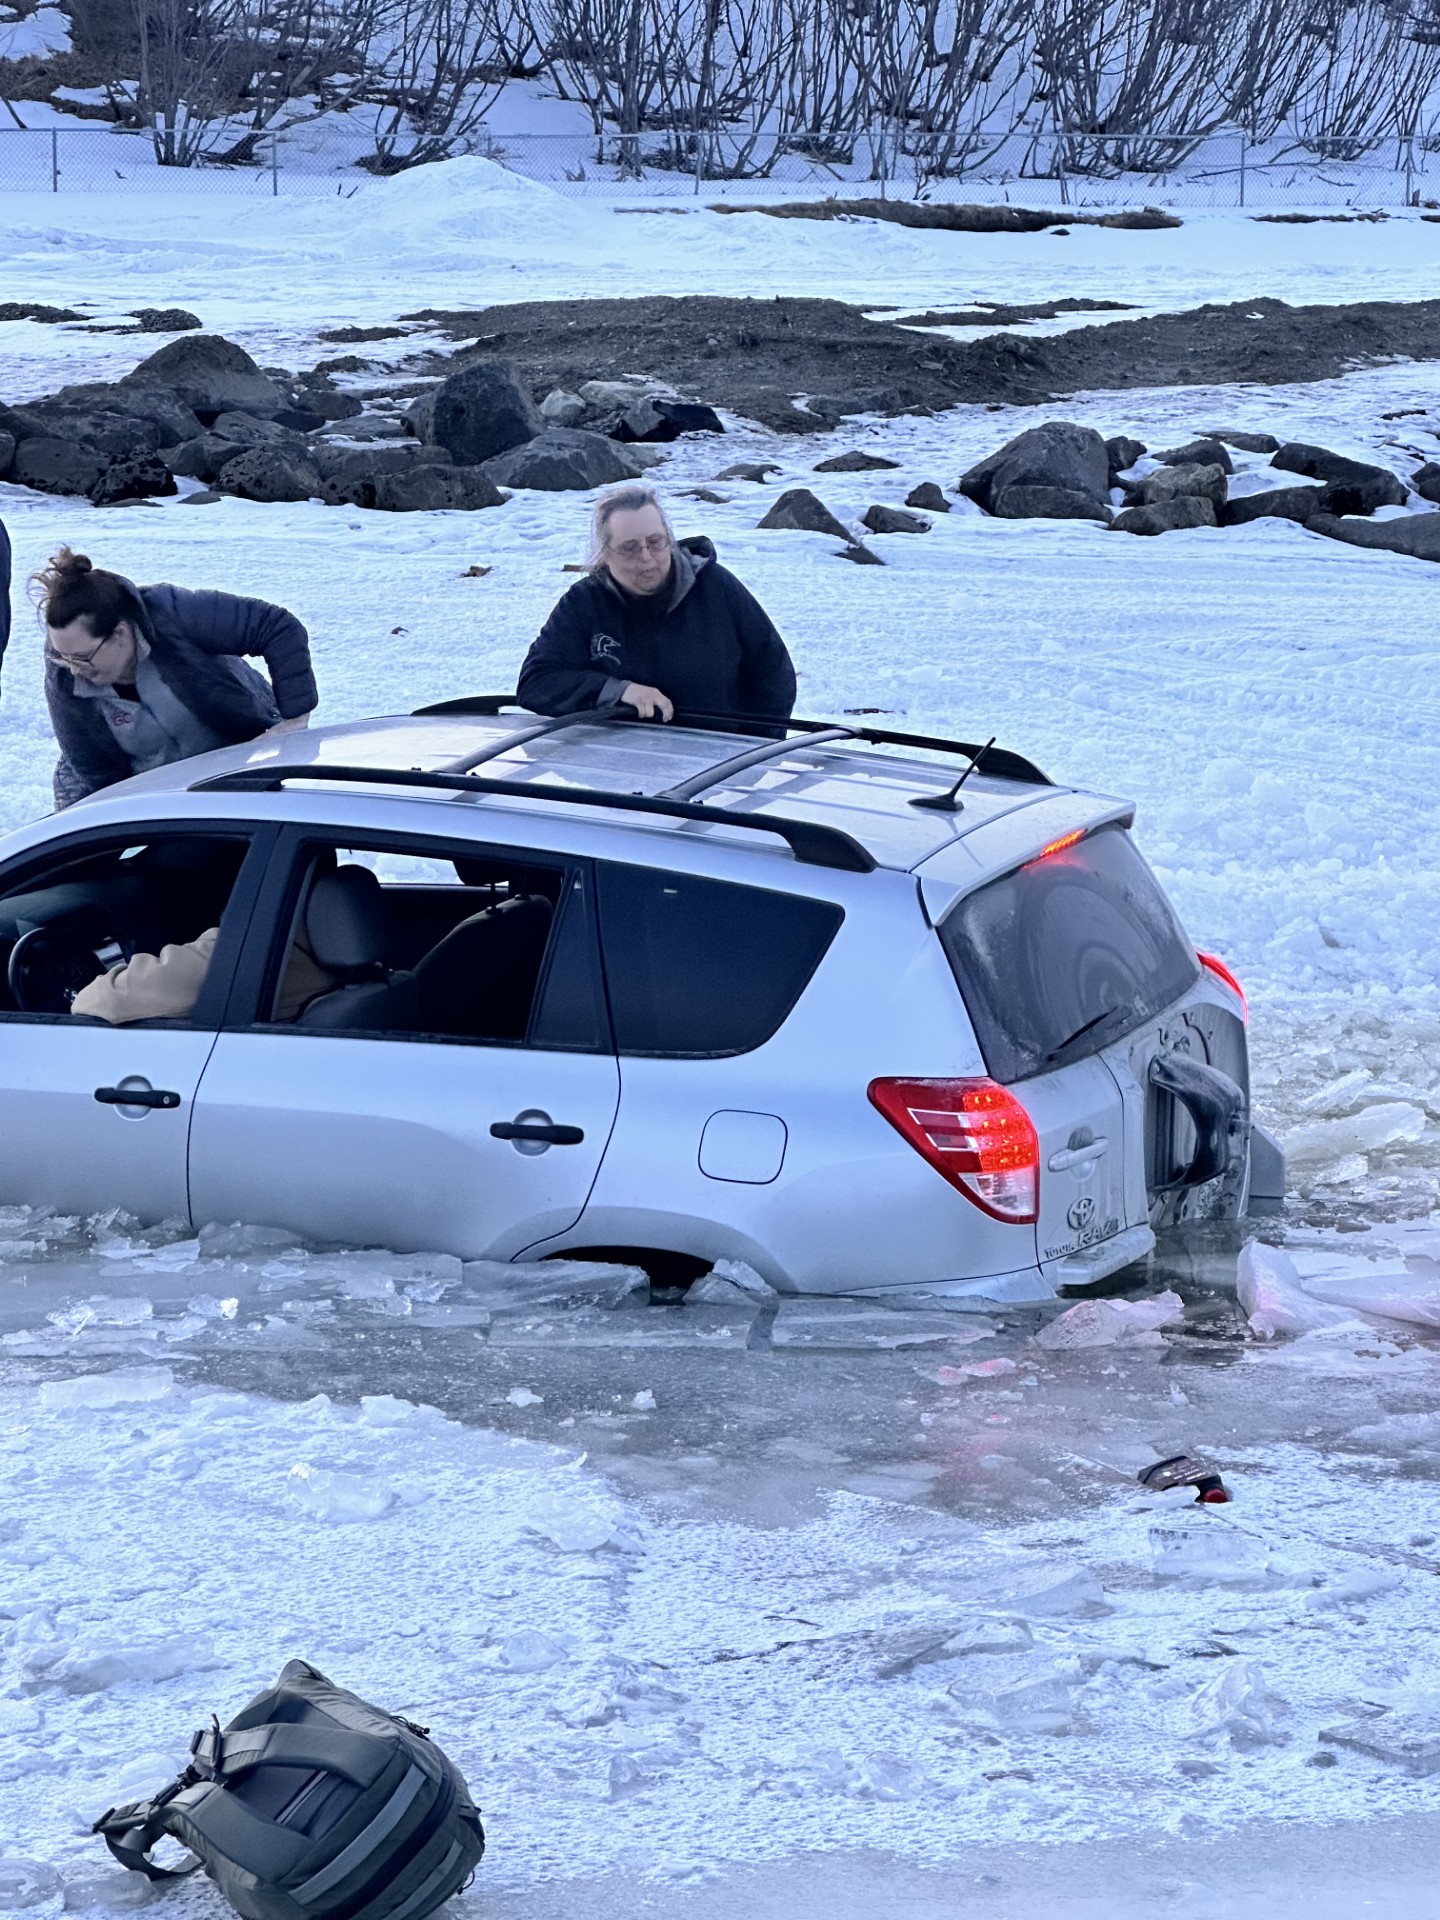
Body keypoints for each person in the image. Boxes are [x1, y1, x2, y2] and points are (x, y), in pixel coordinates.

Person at [36, 548, 317, 809]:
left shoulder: (171, 614)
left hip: (242, 770)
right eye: (63, 657)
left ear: (120, 634)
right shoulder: (64, 675)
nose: (72, 670)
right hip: (164, 805)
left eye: (82, 658)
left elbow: (277, 627)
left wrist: (294, 721)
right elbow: (94, 771)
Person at [516, 485, 796, 724]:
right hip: (612, 767)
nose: (646, 557)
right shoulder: (584, 603)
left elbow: (773, 674)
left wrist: (754, 756)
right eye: (629, 547)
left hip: (716, 765)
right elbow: (536, 682)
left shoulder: (715, 587)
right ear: (605, 554)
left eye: (655, 542)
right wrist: (617, 691)